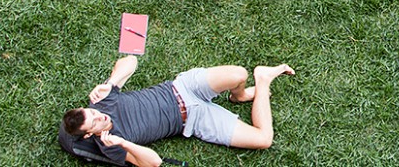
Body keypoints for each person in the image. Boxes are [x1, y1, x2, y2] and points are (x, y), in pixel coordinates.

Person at [58, 55, 294, 166]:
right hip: (193, 119)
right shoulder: (111, 146)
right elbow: (153, 163)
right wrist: (124, 144)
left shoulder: (102, 103)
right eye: (95, 122)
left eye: (92, 112)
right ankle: (263, 79)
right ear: (89, 134)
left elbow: (130, 60)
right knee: (263, 139)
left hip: (182, 87)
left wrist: (110, 83)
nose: (99, 116)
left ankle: (240, 95)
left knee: (239, 74)